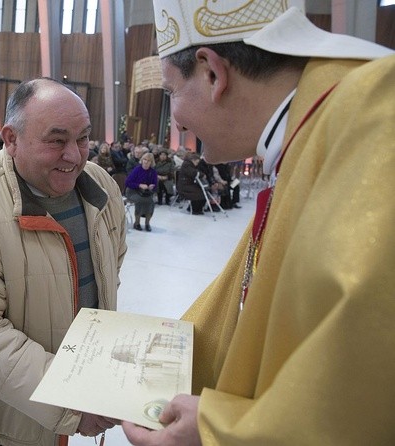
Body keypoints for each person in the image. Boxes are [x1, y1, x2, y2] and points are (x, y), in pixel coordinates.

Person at [123, 1, 395, 444]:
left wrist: (217, 430)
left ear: (212, 73)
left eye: (171, 91)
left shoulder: (376, 114)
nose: (174, 119)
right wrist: (144, 366)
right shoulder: (314, 131)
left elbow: (365, 380)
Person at [0, 77, 127, 446]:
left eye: (83, 138)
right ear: (11, 139)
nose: (75, 155)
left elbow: (110, 266)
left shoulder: (100, 187)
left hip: (69, 397)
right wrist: (68, 398)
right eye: (56, 140)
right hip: (0, 421)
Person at [125, 152, 158, 231]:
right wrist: (139, 185)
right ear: (142, 160)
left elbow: (155, 185)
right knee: (140, 201)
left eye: (148, 160)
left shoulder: (153, 172)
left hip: (145, 192)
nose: (146, 162)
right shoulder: (137, 170)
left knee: (150, 202)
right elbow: (128, 182)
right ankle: (137, 223)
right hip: (132, 191)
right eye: (145, 159)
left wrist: (151, 187)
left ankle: (147, 223)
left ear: (151, 162)